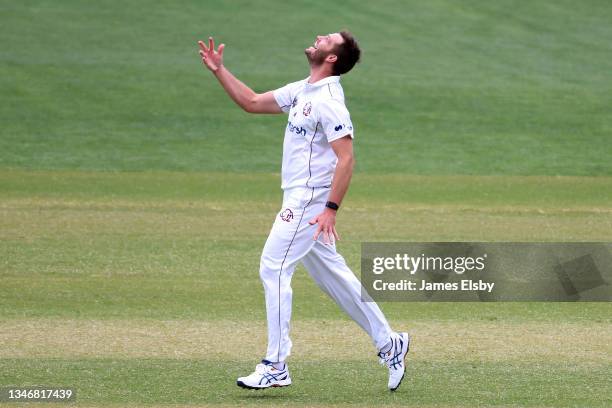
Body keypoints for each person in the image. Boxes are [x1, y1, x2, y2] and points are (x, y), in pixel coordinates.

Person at [197, 31, 410, 391]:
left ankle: (275, 364)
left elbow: (347, 159)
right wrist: (220, 70)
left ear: (331, 58)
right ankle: (390, 343)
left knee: (273, 267)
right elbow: (250, 102)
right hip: (297, 198)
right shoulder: (303, 90)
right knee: (335, 279)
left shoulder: (329, 101)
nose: (318, 38)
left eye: (326, 39)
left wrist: (330, 210)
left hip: (308, 203)